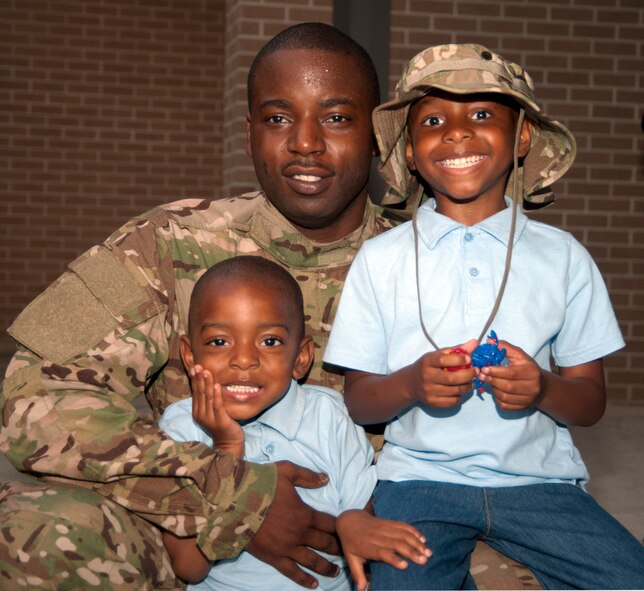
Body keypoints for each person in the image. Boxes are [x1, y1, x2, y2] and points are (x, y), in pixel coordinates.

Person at [0, 23, 404, 591]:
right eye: (277, 117)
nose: (305, 142)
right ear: (249, 135)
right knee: (39, 529)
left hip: (393, 527)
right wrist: (231, 493)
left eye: (336, 118)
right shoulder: (169, 244)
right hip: (189, 541)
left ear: (377, 135)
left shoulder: (426, 261)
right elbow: (33, 398)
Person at [323, 43, 644, 590]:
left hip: (540, 483)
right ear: (411, 148)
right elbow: (358, 400)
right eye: (432, 120)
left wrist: (541, 388)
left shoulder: (563, 256)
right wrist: (412, 383)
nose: (456, 132)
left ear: (521, 137)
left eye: (480, 114)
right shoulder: (382, 259)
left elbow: (589, 403)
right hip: (419, 481)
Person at [158, 256, 431, 590]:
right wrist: (227, 454)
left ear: (301, 358)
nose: (244, 360)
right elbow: (189, 567)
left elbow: (363, 513)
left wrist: (354, 523)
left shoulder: (327, 416)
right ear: (189, 355)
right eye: (220, 341)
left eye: (269, 341)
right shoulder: (181, 428)